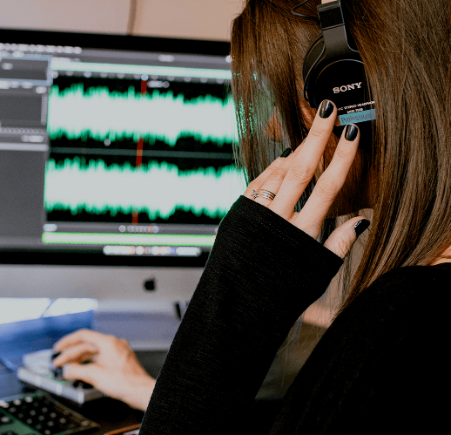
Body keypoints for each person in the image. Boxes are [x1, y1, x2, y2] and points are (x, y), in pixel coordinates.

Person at [133, 0, 451, 434]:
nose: (271, 130)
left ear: (349, 92)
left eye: (290, 96)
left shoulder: (399, 327)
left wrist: (239, 293)